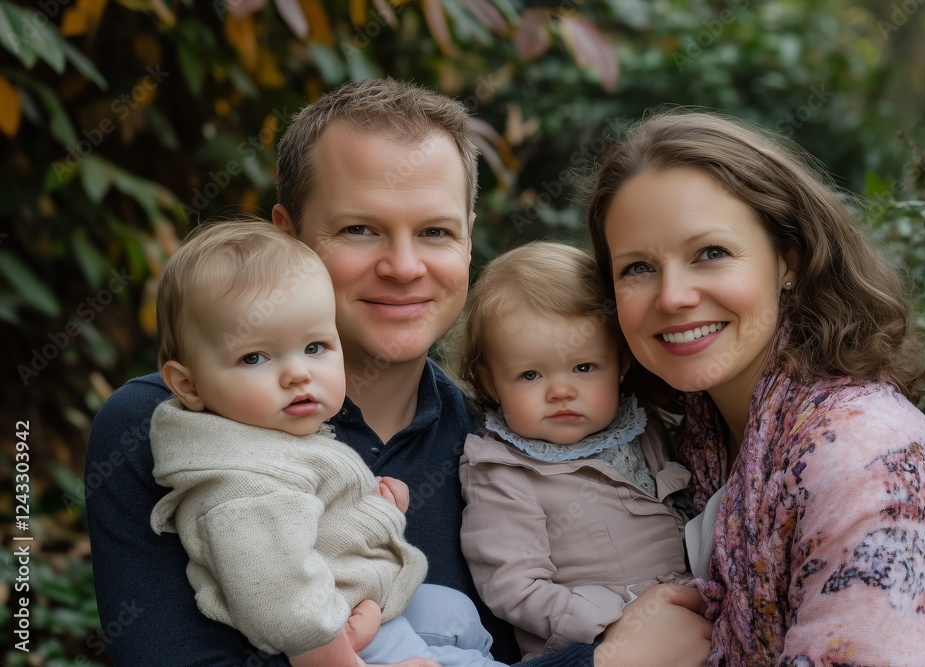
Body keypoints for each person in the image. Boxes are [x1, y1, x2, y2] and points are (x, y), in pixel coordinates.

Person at [87, 79, 700, 667]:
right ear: (288, 237)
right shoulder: (174, 429)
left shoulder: (506, 432)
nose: (404, 267)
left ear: (467, 244)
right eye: (360, 229)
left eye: (435, 232)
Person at [586, 109, 925, 664]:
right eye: (638, 267)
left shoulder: (867, 464)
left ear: (790, 262)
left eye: (710, 253)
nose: (672, 296)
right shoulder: (694, 449)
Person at [149, 218, 506, 667]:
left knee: (454, 613)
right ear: (189, 385)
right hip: (337, 644)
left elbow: (316, 525)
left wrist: (372, 511)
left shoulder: (266, 434)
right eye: (254, 357)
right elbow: (277, 595)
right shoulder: (243, 485)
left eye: (315, 347)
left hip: (366, 604)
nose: (298, 373)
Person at [454, 241, 695, 660]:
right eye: (530, 374)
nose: (562, 391)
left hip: (695, 618)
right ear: (491, 382)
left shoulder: (643, 428)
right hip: (603, 644)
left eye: (584, 367)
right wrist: (615, 621)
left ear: (620, 362)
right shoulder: (501, 472)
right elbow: (513, 585)